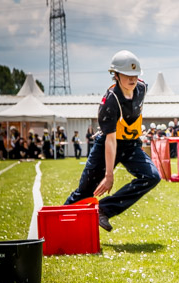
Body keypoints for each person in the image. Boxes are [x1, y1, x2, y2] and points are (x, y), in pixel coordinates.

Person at [64, 50, 161, 232]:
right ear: (115, 75)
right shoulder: (109, 101)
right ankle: (59, 225)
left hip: (131, 144)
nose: (132, 79)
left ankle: (103, 210)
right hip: (107, 145)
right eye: (126, 75)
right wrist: (109, 175)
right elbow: (110, 140)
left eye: (135, 75)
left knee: (152, 177)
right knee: (85, 191)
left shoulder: (142, 88)